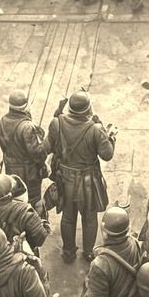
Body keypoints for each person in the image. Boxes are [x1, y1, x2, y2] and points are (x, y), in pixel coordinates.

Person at [46, 92, 114, 264]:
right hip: (88, 181)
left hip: (65, 179)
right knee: (90, 218)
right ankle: (89, 253)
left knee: (68, 217)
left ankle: (68, 252)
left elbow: (46, 147)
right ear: (88, 108)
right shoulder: (96, 129)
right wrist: (111, 138)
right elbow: (107, 155)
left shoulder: (57, 123)